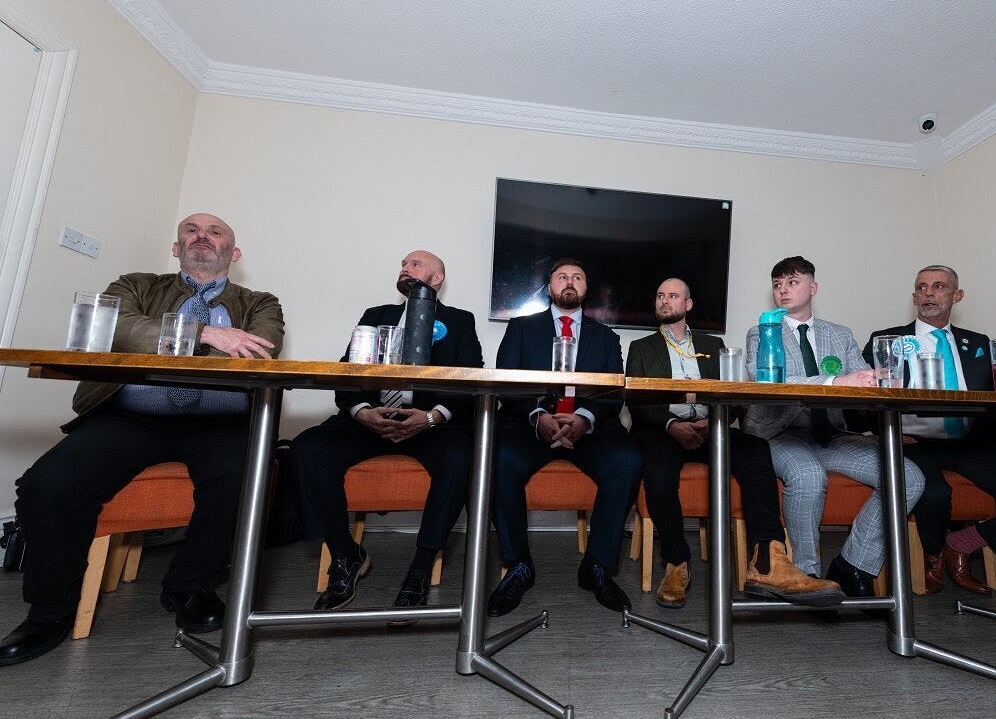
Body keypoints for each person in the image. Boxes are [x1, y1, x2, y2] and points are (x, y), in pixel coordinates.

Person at [0, 213, 284, 667]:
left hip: (220, 422)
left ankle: (189, 587)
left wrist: (161, 339)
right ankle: (50, 610)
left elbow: (259, 345)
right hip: (131, 417)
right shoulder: (135, 285)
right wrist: (208, 333)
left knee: (246, 475)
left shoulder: (259, 301)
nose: (202, 237)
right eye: (191, 230)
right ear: (176, 248)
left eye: (215, 233)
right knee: (47, 483)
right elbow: (114, 327)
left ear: (234, 254)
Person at [625, 278, 845, 608]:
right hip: (661, 431)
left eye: (673, 295)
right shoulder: (641, 348)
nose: (664, 301)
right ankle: (676, 563)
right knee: (657, 472)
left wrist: (712, 422)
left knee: (755, 449)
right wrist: (672, 425)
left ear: (688, 305)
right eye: (659, 295)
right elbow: (637, 401)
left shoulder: (713, 345)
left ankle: (767, 560)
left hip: (711, 427)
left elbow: (733, 395)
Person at [289, 251, 483, 612]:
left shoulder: (459, 321)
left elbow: (471, 378)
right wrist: (362, 412)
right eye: (403, 265)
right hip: (369, 420)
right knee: (307, 448)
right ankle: (345, 555)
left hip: (428, 423)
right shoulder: (375, 316)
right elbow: (346, 371)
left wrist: (431, 417)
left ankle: (421, 567)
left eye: (416, 265)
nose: (405, 269)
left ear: (437, 278)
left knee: (461, 454)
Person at [864, 265, 996, 593]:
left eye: (939, 286)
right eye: (922, 287)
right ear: (914, 296)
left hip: (968, 442)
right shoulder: (889, 340)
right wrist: (882, 430)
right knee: (935, 494)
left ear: (957, 296)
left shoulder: (979, 343)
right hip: (912, 442)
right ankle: (933, 557)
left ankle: (963, 543)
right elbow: (863, 393)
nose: (928, 293)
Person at [742, 256, 925, 604]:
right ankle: (805, 574)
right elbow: (770, 381)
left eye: (792, 282)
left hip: (833, 435)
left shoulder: (840, 335)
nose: (783, 289)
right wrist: (836, 380)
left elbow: (863, 380)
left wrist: (876, 379)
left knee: (908, 477)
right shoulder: (762, 331)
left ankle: (854, 565)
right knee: (809, 475)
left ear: (813, 288)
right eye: (777, 284)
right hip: (780, 433)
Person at [486, 259, 642, 617]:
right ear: (550, 287)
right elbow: (505, 383)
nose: (569, 282)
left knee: (627, 460)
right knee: (496, 458)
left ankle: (598, 566)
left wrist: (584, 419)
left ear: (585, 288)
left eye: (577, 277)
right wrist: (537, 415)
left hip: (590, 428)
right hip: (530, 424)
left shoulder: (606, 336)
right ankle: (518, 566)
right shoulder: (521, 328)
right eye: (562, 277)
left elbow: (613, 394)